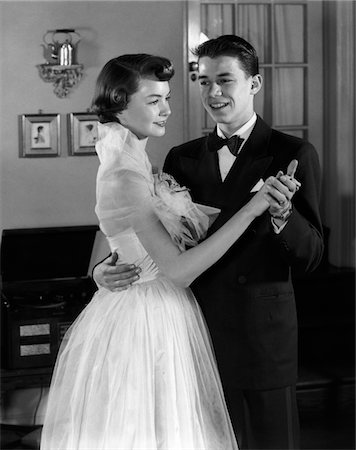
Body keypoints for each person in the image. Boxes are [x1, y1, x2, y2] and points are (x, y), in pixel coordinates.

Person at [40, 53, 298, 450]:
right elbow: (171, 266)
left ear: (254, 84)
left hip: (242, 330)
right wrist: (254, 206)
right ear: (120, 103)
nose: (167, 109)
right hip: (148, 320)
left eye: (167, 97)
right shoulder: (146, 166)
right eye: (154, 100)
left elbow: (123, 230)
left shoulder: (138, 159)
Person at [93, 36, 324, 449]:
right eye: (203, 82)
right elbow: (138, 234)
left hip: (260, 345)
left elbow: (312, 257)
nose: (213, 93)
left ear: (253, 83)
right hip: (188, 338)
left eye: (225, 80)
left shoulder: (292, 152)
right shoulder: (181, 157)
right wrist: (100, 270)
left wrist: (281, 215)